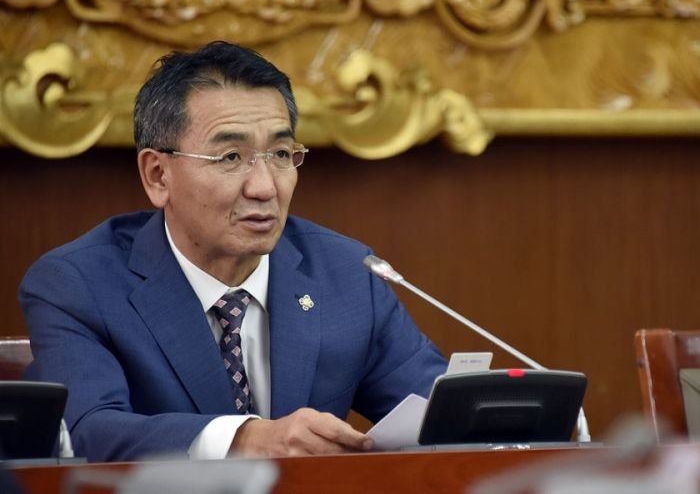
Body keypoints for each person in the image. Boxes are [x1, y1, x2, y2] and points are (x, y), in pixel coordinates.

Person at [18, 41, 447, 462]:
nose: (264, 187)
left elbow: (440, 412)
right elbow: (88, 432)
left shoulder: (346, 274)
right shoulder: (78, 285)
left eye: (281, 153)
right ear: (158, 175)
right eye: (230, 157)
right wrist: (245, 439)